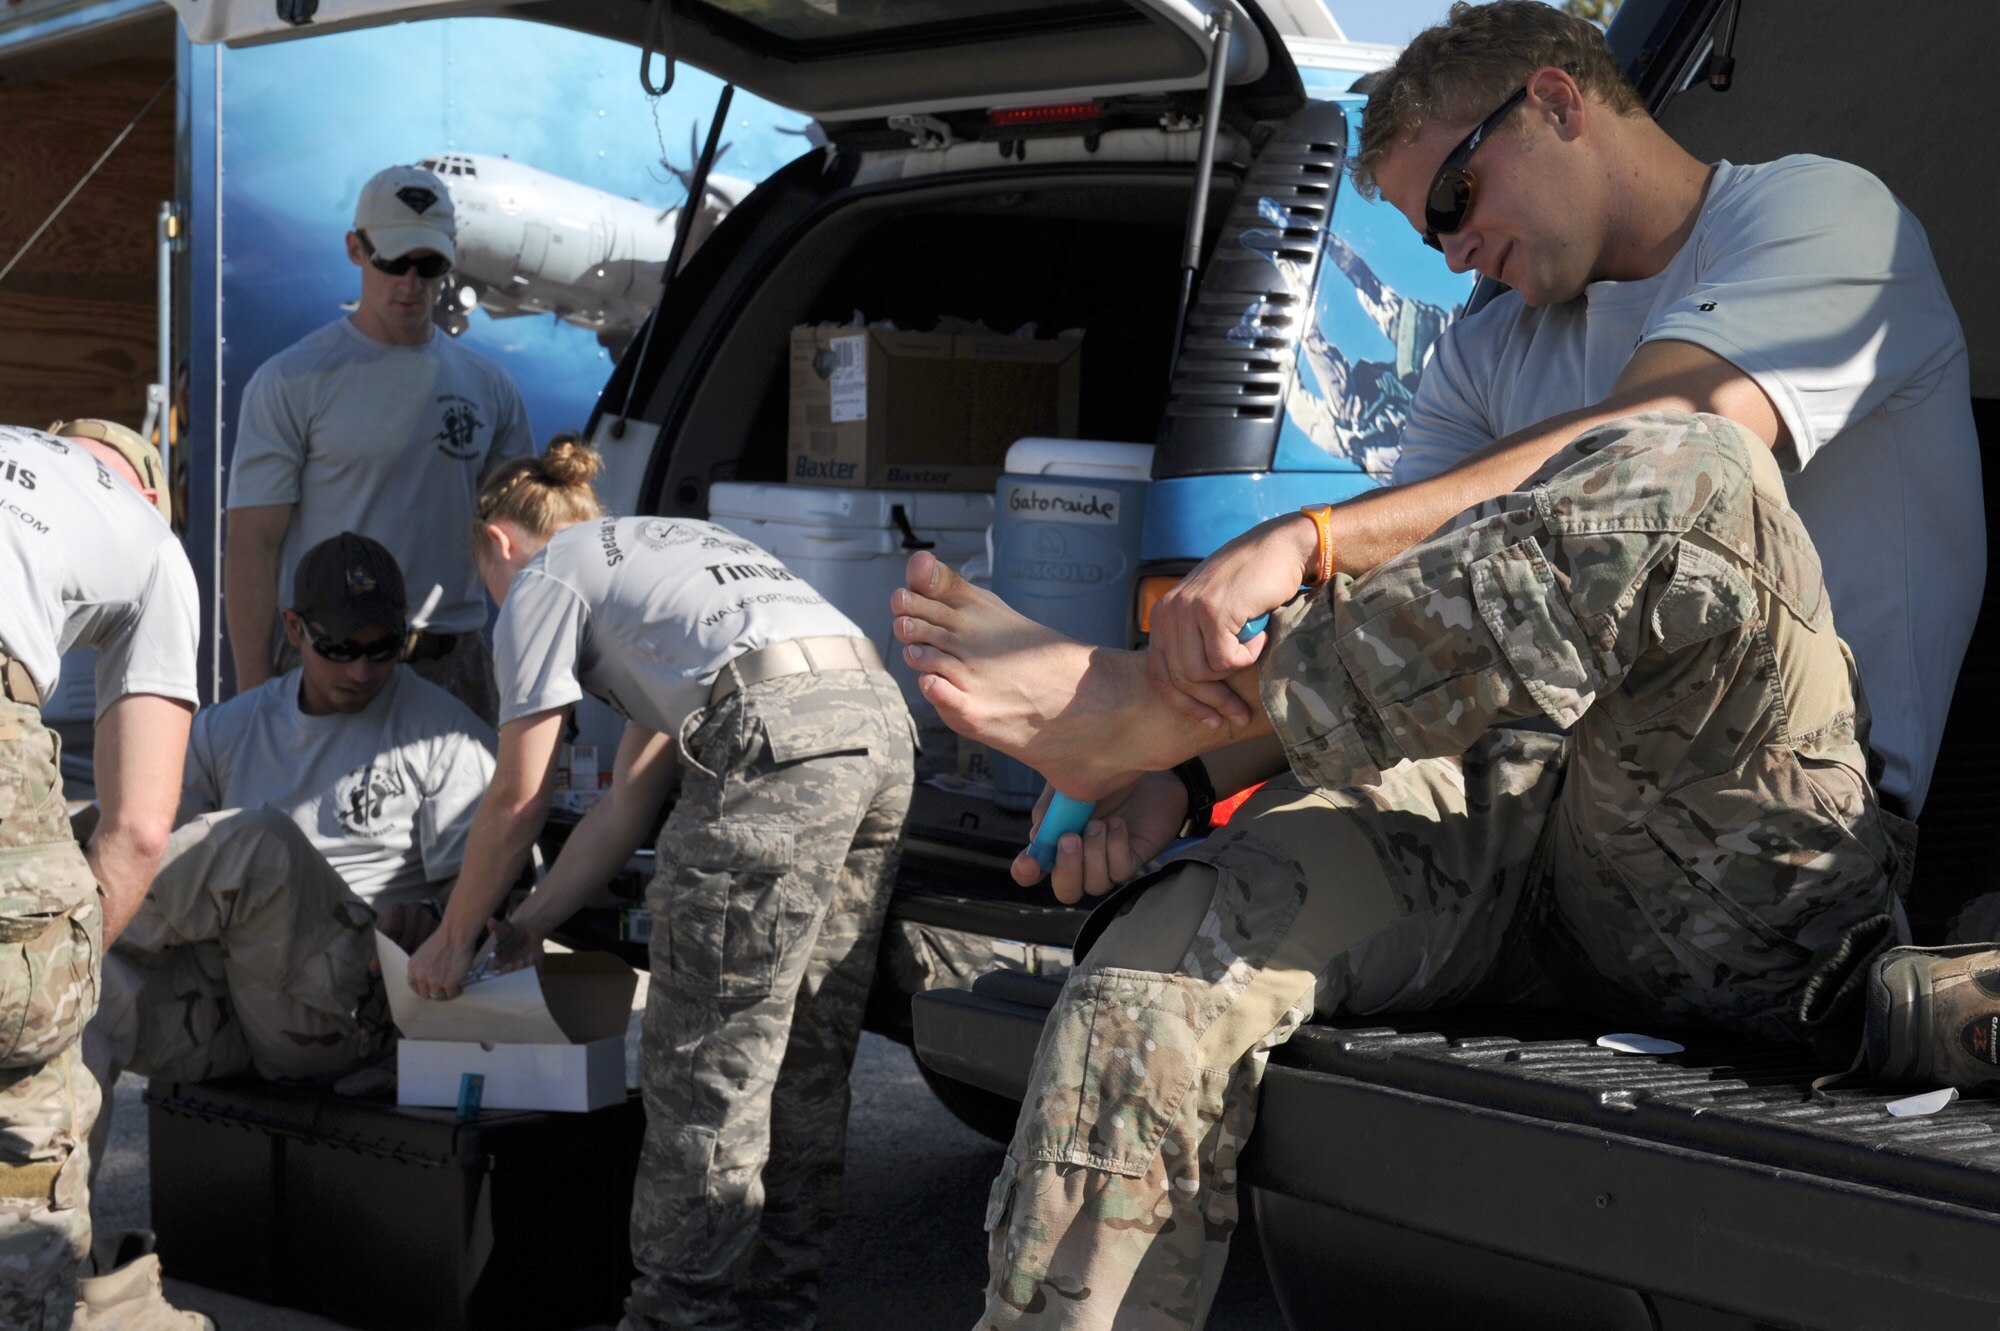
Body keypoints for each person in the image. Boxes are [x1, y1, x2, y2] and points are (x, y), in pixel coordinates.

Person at [887, 3, 1982, 1327]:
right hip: (1506, 837)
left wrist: (1311, 533)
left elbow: (1670, 433)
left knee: (1688, 470)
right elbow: (1412, 612)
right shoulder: (1482, 351)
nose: (1459, 251)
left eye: (1458, 194)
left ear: (1560, 101)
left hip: (1747, 848)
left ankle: (1131, 701)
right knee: (1160, 966)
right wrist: (1176, 779)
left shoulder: (1822, 218)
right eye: (1430, 234)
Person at [403, 441, 916, 1330]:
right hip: (878, 725)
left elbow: (520, 795)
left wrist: (455, 934)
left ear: (498, 542)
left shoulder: (542, 579)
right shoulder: (663, 548)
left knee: (702, 1068)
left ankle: (676, 1317)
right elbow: (622, 810)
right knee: (804, 1057)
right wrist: (526, 923)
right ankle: (778, 1308)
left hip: (770, 734)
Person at [82, 531, 496, 1166]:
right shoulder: (231, 726)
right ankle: (43, 1244)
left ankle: (68, 935)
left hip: (354, 1012)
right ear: (295, 628)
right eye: (339, 648)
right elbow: (158, 849)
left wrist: (437, 919)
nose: (361, 671)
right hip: (231, 1003)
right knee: (83, 1006)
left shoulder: (446, 735)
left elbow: (479, 908)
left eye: (384, 649)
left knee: (257, 840)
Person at [0, 420, 208, 1329]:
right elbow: (135, 829)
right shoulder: (152, 543)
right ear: (148, 491)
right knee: (26, 1098)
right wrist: (56, 991)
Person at [225, 163, 534, 722]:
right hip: (333, 663)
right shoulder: (293, 379)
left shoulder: (489, 388)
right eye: (393, 261)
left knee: (469, 816)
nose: (411, 283)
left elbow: (521, 548)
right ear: (355, 249)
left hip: (454, 666)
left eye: (429, 264)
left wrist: (539, 672)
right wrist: (253, 697)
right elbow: (253, 545)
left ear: (451, 256)